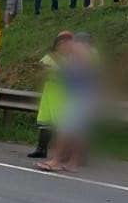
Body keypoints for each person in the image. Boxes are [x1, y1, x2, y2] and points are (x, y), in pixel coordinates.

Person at [38, 31, 99, 174]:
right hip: (87, 94)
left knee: (64, 127)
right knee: (79, 130)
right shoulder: (90, 51)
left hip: (79, 94)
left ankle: (56, 160)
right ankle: (73, 163)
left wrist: (66, 74)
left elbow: (84, 70)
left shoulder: (78, 48)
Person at [28, 30, 71, 159]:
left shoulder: (72, 58)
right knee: (44, 120)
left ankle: (66, 152)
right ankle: (41, 148)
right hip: (49, 90)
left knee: (62, 123)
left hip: (61, 91)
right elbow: (40, 69)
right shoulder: (51, 57)